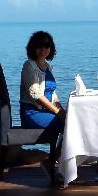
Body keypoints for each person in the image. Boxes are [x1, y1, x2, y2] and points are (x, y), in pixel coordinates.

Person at [20, 30, 65, 181]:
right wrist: (58, 113)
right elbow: (35, 94)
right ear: (33, 48)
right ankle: (53, 162)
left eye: (46, 46)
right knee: (70, 125)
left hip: (48, 111)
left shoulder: (48, 67)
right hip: (33, 113)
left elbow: (53, 95)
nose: (43, 49)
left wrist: (62, 111)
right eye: (39, 46)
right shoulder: (29, 66)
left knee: (73, 121)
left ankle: (57, 163)